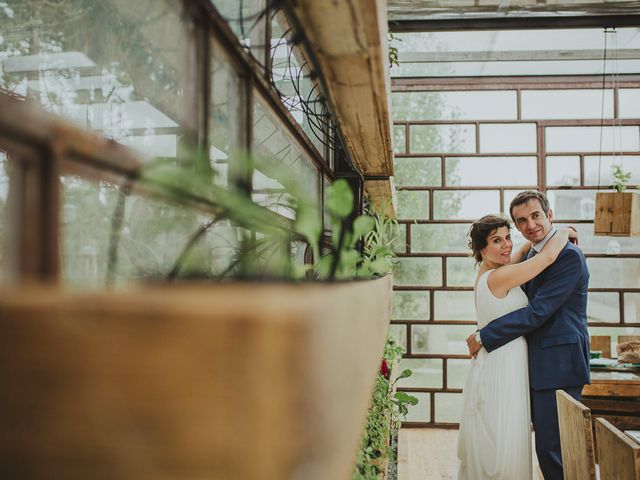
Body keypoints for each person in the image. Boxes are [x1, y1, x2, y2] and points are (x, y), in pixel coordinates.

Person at [465, 190, 590, 480]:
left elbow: (539, 311)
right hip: (531, 365)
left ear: (549, 215)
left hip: (559, 365)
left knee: (553, 449)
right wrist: (564, 231)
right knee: (544, 447)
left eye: (536, 216)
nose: (530, 225)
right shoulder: (529, 256)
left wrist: (485, 335)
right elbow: (536, 260)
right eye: (522, 221)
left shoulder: (569, 257)